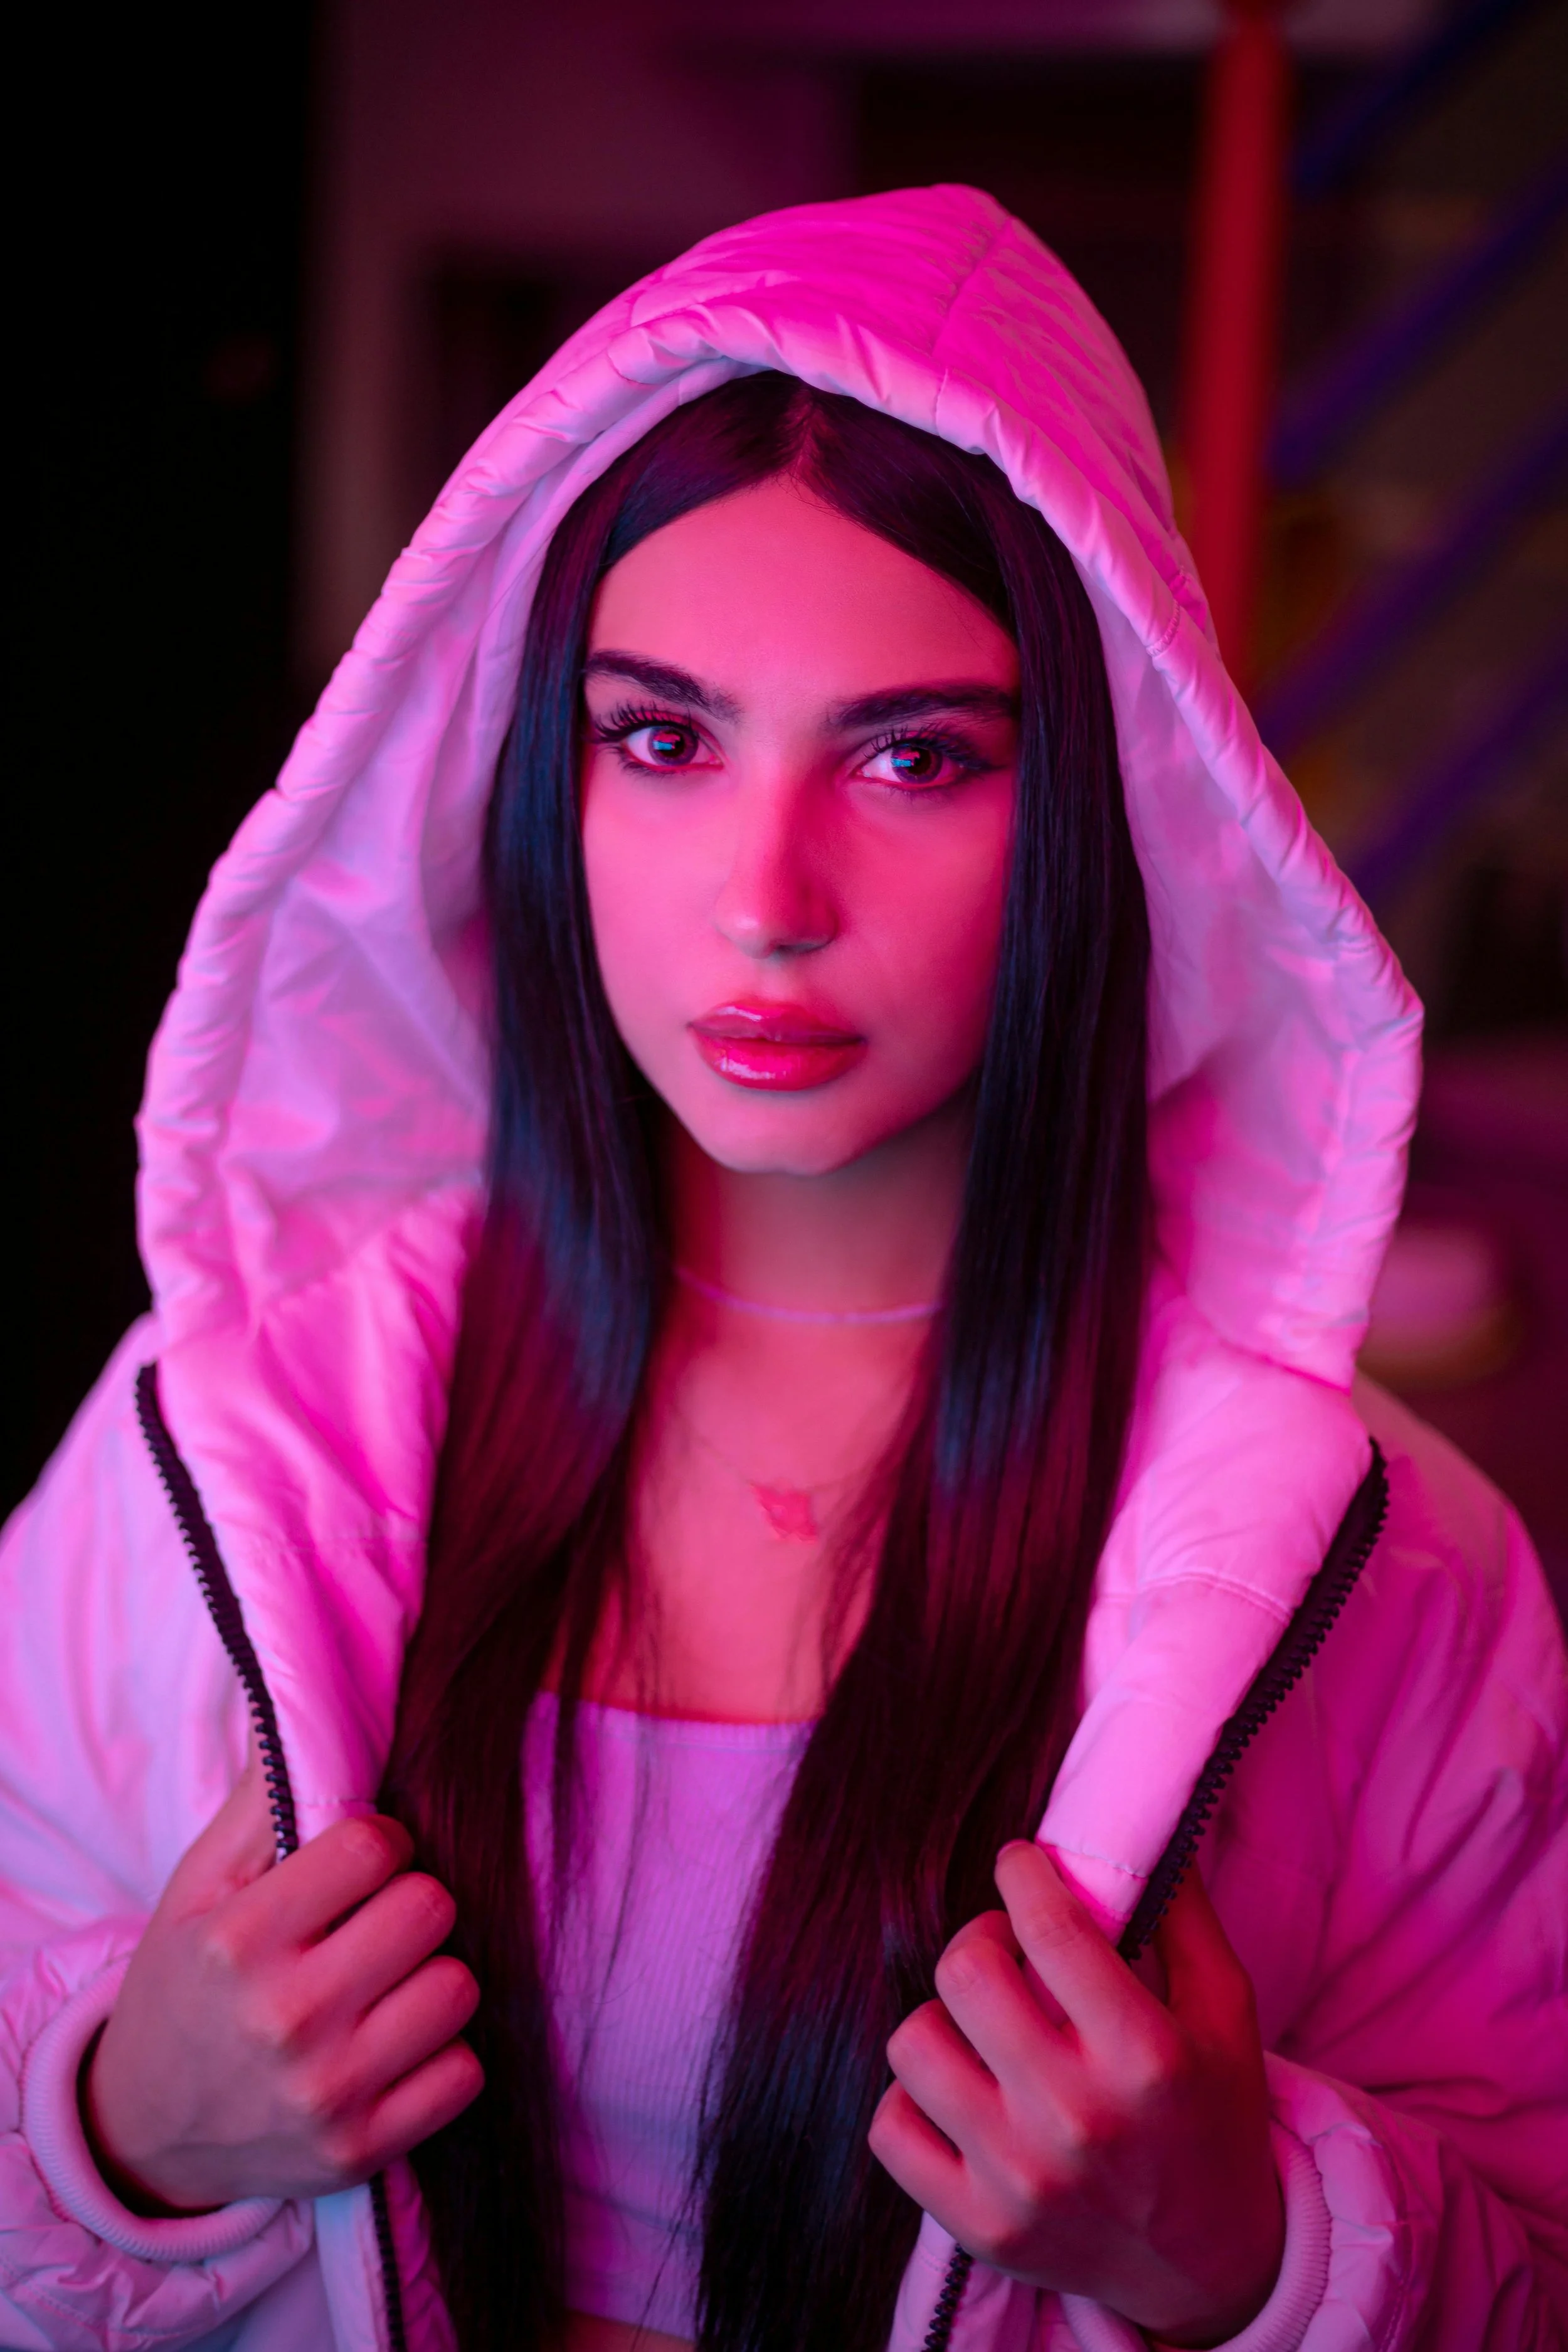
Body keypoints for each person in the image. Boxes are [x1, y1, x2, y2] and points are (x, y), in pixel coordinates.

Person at [1, 186, 1563, 2352]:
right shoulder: (225, 1445)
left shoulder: (1389, 1571)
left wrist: (1251, 2247)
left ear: (1105, 803)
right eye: (661, 736)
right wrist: (118, 2131)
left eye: (914, 757)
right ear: (536, 777)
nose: (767, 895)